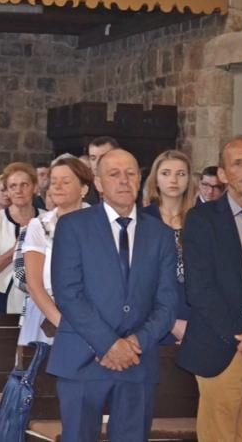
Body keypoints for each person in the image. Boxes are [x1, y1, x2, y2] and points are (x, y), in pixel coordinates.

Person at [47, 149, 178, 441]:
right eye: (114, 174)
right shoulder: (73, 226)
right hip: (83, 358)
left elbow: (167, 303)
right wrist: (108, 344)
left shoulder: (161, 234)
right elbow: (68, 293)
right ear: (98, 183)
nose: (123, 180)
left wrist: (134, 344)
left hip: (137, 362)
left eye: (130, 173)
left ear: (140, 179)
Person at [177, 137, 242, 442]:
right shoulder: (202, 219)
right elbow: (200, 289)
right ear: (222, 174)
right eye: (238, 163)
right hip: (221, 349)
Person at [17, 156, 92, 346]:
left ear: (84, 188)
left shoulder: (100, 224)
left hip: (92, 315)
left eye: (65, 182)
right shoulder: (39, 225)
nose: (57, 187)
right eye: (54, 182)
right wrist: (64, 325)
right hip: (47, 313)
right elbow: (34, 285)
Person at [142, 150, 197, 345]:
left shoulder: (201, 219)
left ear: (189, 180)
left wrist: (199, 325)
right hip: (153, 318)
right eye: (166, 173)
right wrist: (170, 323)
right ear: (155, 179)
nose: (173, 180)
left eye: (180, 174)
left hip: (196, 317)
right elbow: (139, 281)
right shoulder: (142, 220)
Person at [0, 162, 41, 315]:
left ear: (35, 188)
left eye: (24, 185)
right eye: (13, 186)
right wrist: (17, 248)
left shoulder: (47, 219)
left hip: (40, 299)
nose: (18, 190)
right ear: (7, 191)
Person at [84, 136, 119, 205]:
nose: (97, 162)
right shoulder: (81, 191)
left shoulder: (128, 186)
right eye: (93, 158)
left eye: (103, 157)